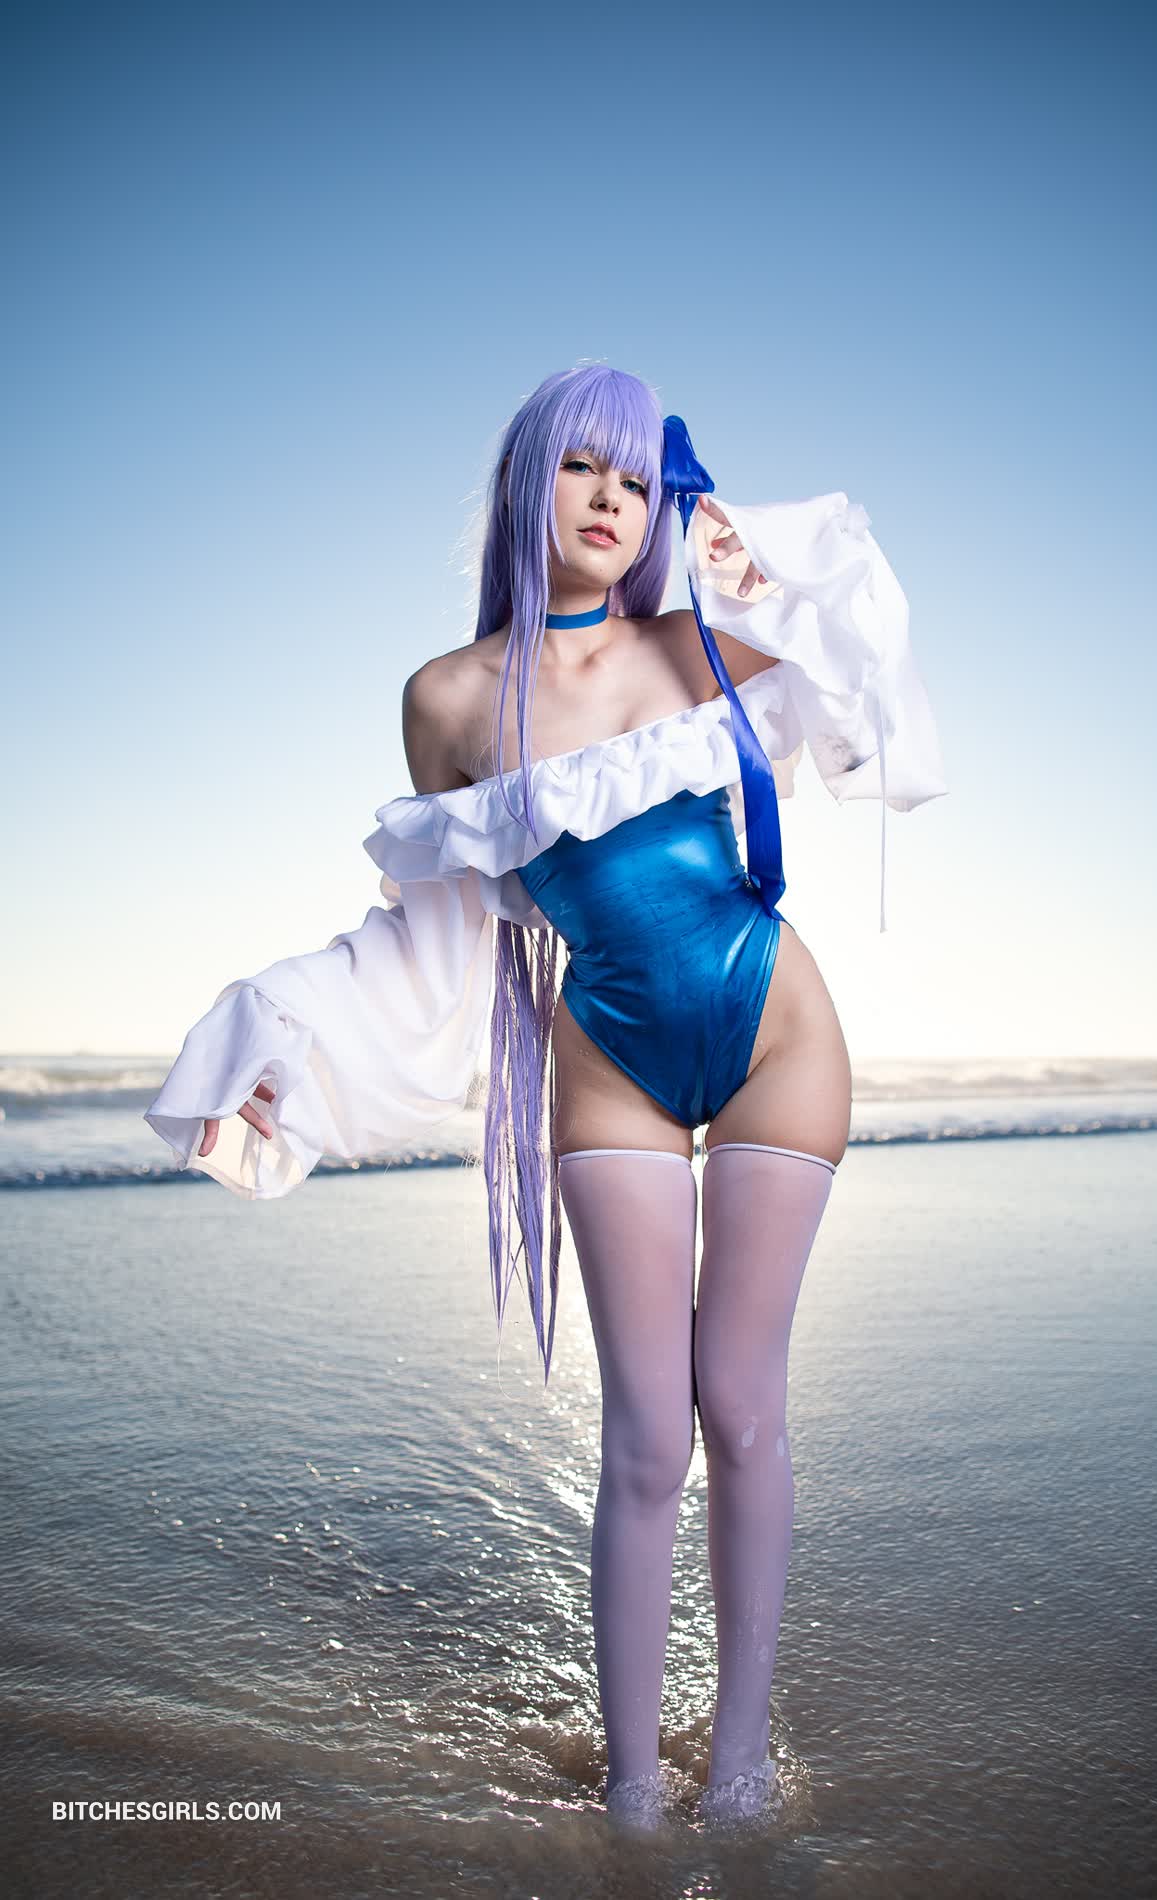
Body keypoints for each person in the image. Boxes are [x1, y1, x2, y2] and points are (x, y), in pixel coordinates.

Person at [144, 362, 947, 1828]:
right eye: (584, 466)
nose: (610, 500)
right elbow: (437, 932)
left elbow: (858, 641)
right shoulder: (447, 699)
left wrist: (738, 544)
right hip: (609, 1058)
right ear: (529, 479)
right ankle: (633, 1788)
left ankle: (742, 1765)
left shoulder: (699, 641)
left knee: (740, 1407)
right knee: (645, 1436)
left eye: (637, 479)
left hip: (778, 1034)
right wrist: (285, 1052)